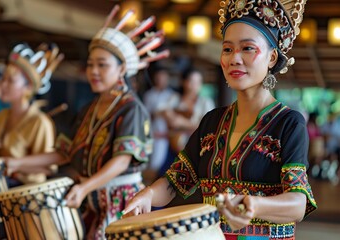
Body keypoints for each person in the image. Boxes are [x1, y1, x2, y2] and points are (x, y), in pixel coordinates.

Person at [123, 0, 317, 239]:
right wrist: (148, 195)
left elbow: (298, 204)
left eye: (247, 48)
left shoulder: (289, 123)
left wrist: (253, 205)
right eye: (227, 49)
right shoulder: (212, 122)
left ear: (272, 57)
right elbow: (174, 182)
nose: (234, 58)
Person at [5, 5, 169, 239]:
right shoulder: (88, 110)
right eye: (91, 64)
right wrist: (16, 163)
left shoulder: (132, 108)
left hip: (122, 204)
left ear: (121, 68)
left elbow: (121, 162)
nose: (93, 71)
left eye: (102, 65)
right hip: (91, 202)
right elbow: (64, 153)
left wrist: (84, 187)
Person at [0, 43, 62, 185]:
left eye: (10, 81)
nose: (3, 85)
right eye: (3, 79)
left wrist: (17, 165)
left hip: (27, 194)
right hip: (1, 187)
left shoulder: (40, 122)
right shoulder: (2, 116)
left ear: (28, 87)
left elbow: (50, 170)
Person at [163, 67, 215, 153]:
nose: (196, 85)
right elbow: (164, 112)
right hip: (173, 145)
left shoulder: (205, 102)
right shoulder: (175, 98)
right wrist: (169, 115)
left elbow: (209, 126)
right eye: (192, 81)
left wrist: (183, 123)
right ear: (184, 82)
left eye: (198, 82)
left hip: (198, 147)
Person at [143, 67, 176, 182]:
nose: (161, 80)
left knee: (159, 163)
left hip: (166, 136)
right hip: (152, 134)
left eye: (163, 78)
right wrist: (156, 114)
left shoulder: (171, 96)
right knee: (149, 162)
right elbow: (145, 117)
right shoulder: (149, 95)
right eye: (158, 78)